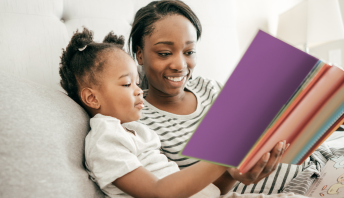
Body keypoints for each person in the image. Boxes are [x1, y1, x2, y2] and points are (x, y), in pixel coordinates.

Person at [58, 28, 308, 198]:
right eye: (126, 84)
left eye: (137, 83)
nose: (138, 91)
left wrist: (233, 173)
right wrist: (224, 157)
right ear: (91, 97)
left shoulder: (136, 131)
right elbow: (159, 192)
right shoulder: (105, 139)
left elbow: (195, 188)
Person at [128, 0, 305, 195]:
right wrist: (231, 174)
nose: (180, 65)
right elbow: (187, 193)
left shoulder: (209, 87)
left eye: (189, 52)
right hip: (298, 187)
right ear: (140, 55)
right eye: (164, 53)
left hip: (314, 164)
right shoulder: (138, 120)